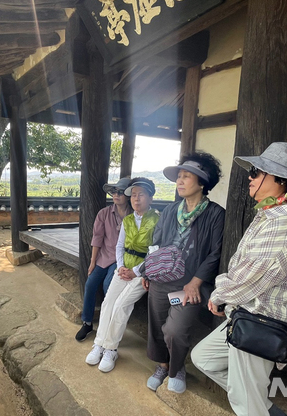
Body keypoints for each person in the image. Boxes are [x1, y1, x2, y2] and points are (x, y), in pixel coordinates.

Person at [191, 142, 287, 416]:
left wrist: (219, 294)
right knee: (204, 359)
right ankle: (262, 406)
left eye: (258, 172)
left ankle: (256, 407)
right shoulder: (271, 214)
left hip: (262, 320)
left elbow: (252, 278)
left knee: (245, 405)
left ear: (282, 181)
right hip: (246, 313)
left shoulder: (286, 222)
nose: (250, 176)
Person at [143, 152, 225, 394]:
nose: (179, 181)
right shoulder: (170, 211)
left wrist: (196, 282)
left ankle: (177, 368)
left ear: (202, 182)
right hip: (160, 280)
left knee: (175, 329)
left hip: (188, 285)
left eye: (186, 177)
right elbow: (155, 243)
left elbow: (216, 252)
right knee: (157, 326)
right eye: (179, 177)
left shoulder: (215, 214)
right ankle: (162, 365)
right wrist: (149, 272)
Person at [85, 177, 159, 373]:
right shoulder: (127, 220)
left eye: (141, 195)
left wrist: (136, 271)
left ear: (151, 198)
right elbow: (120, 246)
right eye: (133, 195)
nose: (136, 199)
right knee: (109, 302)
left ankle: (111, 349)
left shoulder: (157, 220)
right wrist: (120, 267)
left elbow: (155, 251)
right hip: (124, 268)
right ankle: (99, 344)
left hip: (142, 273)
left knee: (121, 305)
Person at [76, 177, 133, 342]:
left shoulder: (133, 215)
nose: (116, 195)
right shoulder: (104, 213)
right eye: (114, 191)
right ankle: (87, 322)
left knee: (109, 285)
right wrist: (93, 262)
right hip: (103, 256)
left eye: (121, 192)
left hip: (121, 259)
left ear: (128, 195)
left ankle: (107, 322)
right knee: (90, 283)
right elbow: (97, 239)